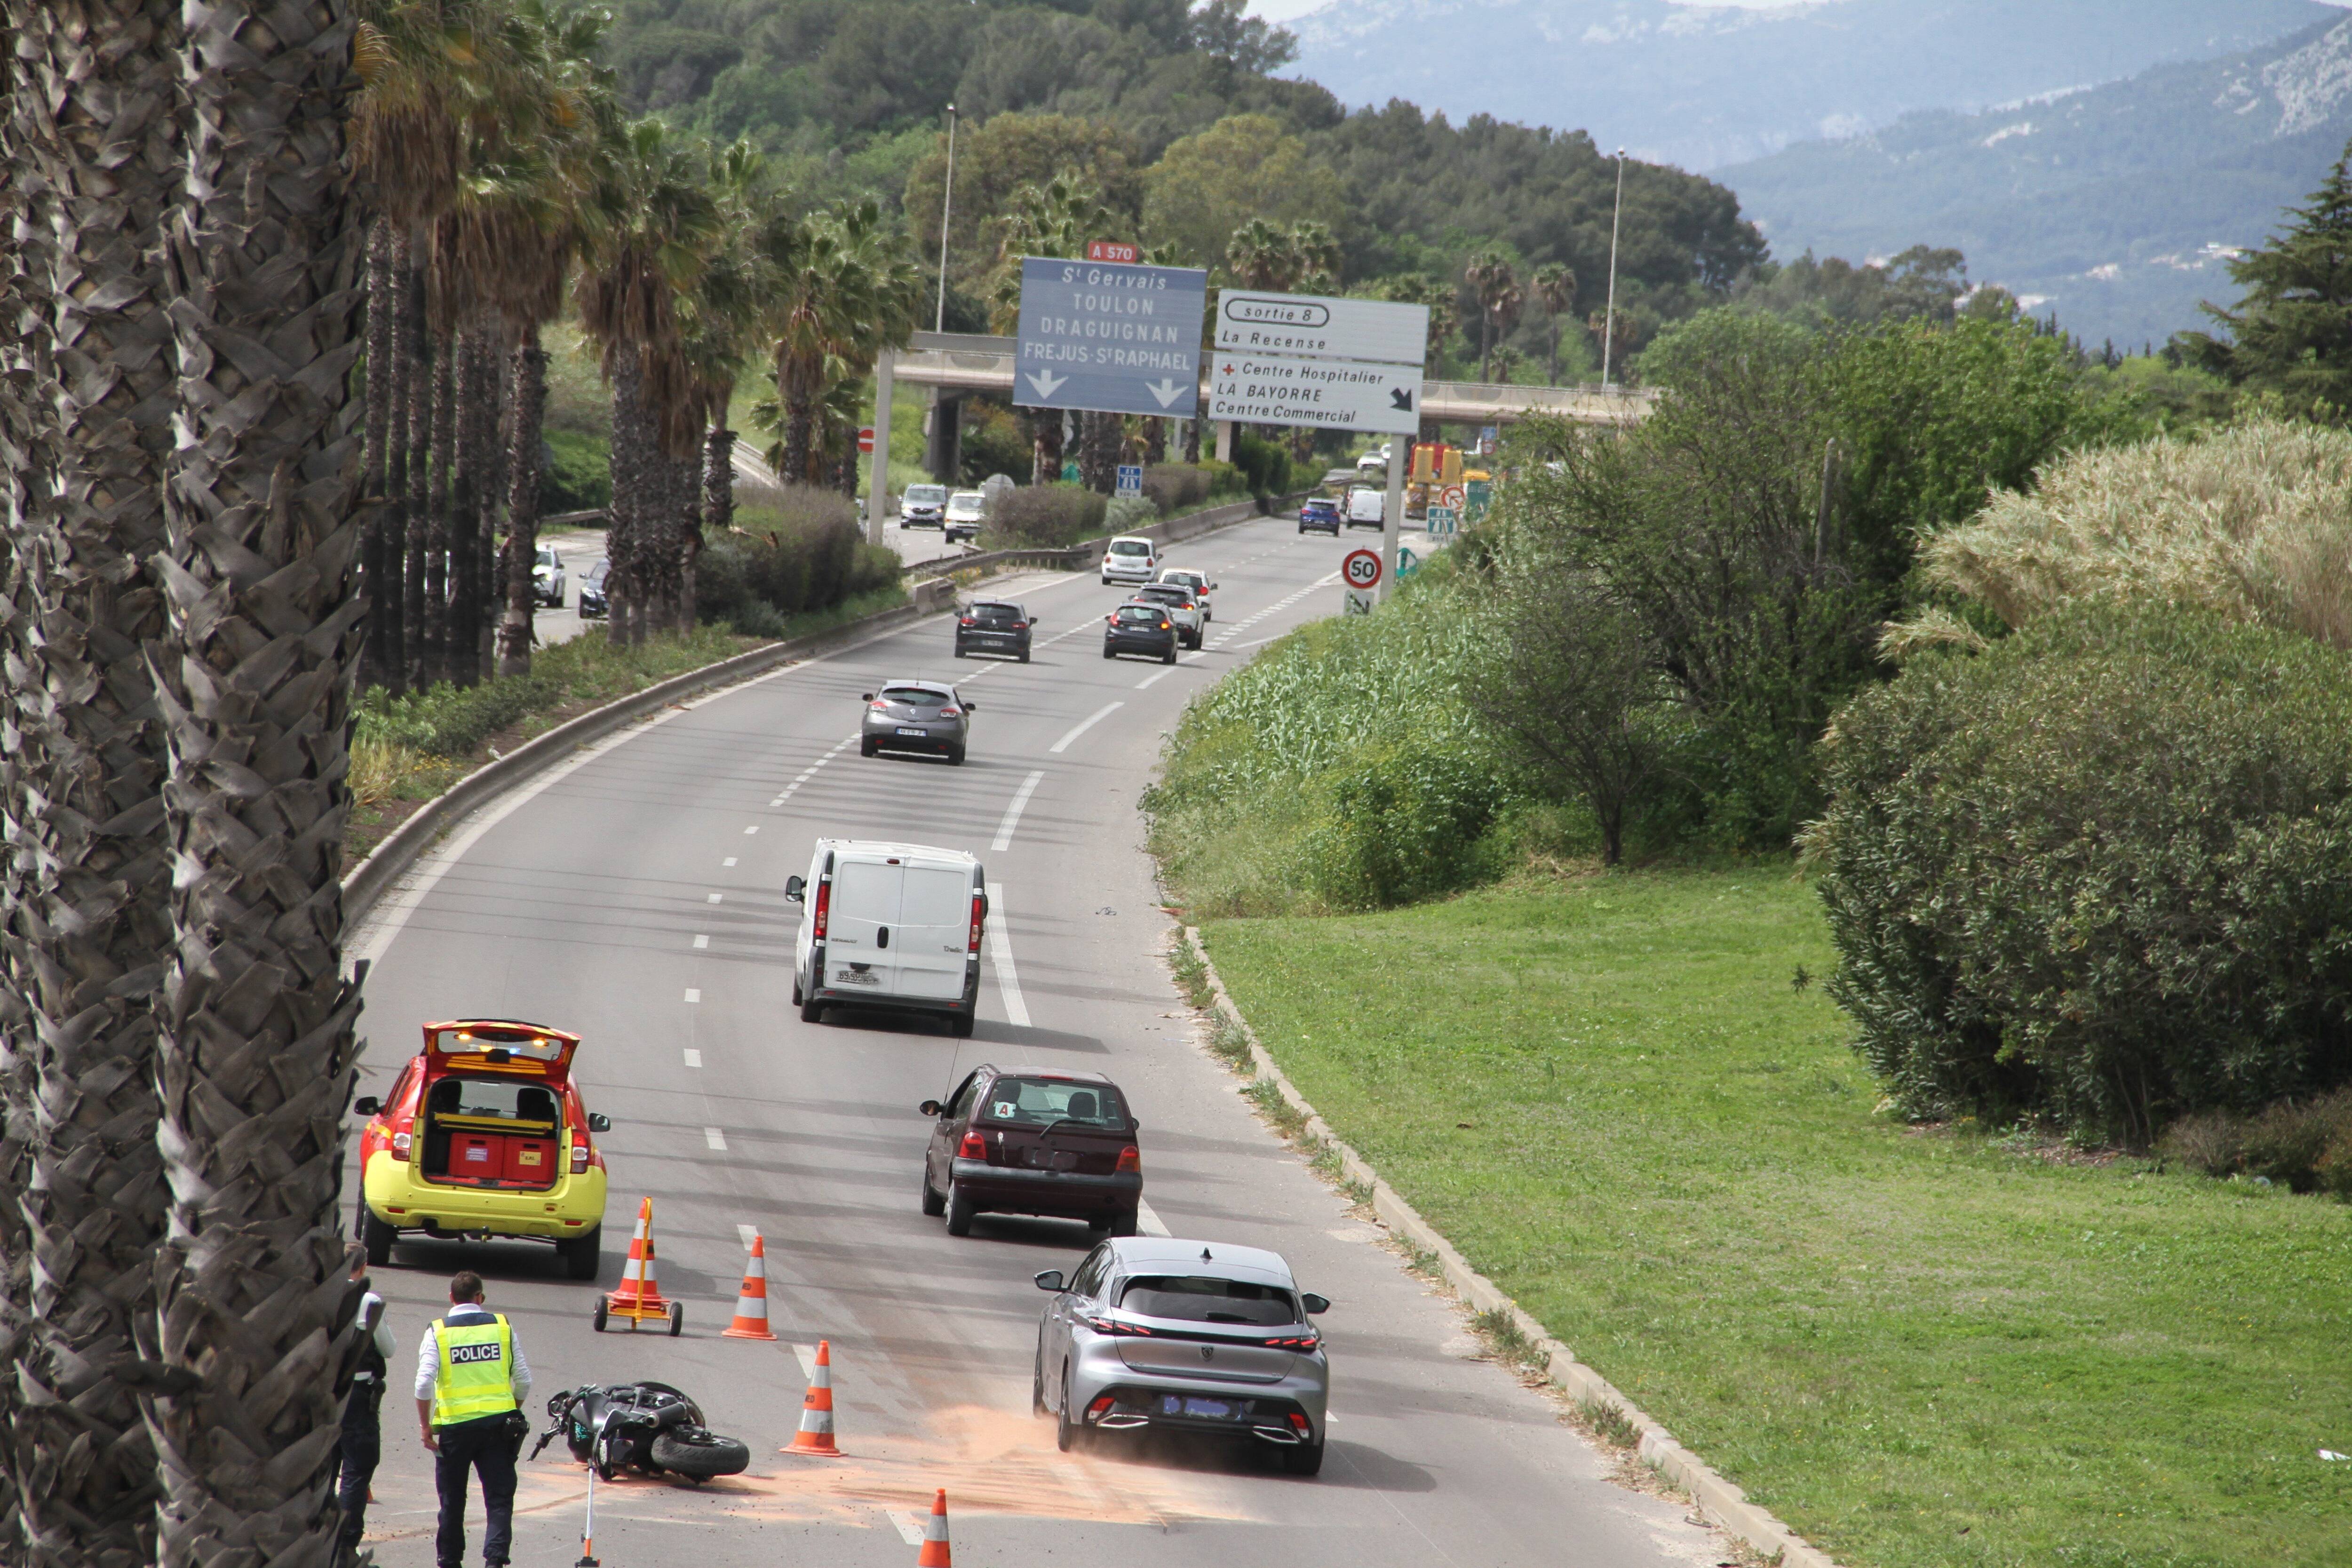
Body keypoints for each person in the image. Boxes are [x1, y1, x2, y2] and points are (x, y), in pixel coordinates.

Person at [417, 1270, 532, 1568]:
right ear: (480, 1298)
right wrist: (512, 1408)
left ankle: (449, 1560)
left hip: (455, 1430)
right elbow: (524, 1380)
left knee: (452, 1500)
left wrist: (425, 1426)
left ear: (451, 1298)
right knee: (499, 1499)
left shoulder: (438, 1332)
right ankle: (495, 1560)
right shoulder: (502, 1327)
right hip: (498, 1428)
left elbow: (423, 1383)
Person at [336, 1245, 396, 1552]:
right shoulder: (367, 1300)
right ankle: (346, 1543)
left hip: (322, 1394)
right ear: (364, 1267)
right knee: (357, 1469)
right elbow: (389, 1348)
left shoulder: (321, 1294)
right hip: (357, 1396)